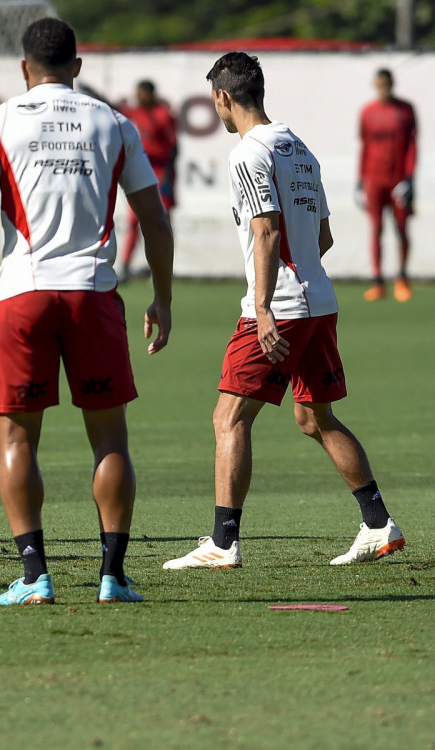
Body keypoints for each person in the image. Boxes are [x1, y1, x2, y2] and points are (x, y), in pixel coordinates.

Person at [0, 18, 174, 605]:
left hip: (23, 295)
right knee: (110, 440)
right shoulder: (115, 123)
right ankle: (113, 577)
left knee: (17, 440)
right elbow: (155, 221)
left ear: (24, 69)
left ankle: (35, 577)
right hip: (93, 295)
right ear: (77, 67)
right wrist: (163, 297)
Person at [163, 52, 404, 571]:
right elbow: (324, 236)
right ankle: (378, 523)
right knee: (314, 417)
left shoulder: (248, 153)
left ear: (224, 97)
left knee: (229, 417)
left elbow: (267, 230)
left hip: (280, 307)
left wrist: (265, 306)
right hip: (319, 301)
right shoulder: (301, 149)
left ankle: (223, 542)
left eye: (215, 101)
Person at [357, 69, 418, 302]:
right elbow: (364, 146)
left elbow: (412, 146)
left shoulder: (405, 110)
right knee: (376, 228)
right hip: (374, 180)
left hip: (398, 180)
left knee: (401, 228)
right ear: (375, 85)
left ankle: (401, 277)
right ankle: (378, 281)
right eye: (380, 84)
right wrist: (360, 181)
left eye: (387, 84)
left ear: (392, 84)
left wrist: (409, 178)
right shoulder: (367, 112)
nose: (384, 88)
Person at [118, 79, 177, 282]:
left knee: (162, 221)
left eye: (140, 93)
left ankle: (162, 268)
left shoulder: (163, 114)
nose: (137, 96)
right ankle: (125, 265)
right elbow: (114, 108)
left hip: (161, 173)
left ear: (150, 93)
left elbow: (173, 147)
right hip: (142, 170)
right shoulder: (135, 112)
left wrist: (168, 175)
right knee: (134, 220)